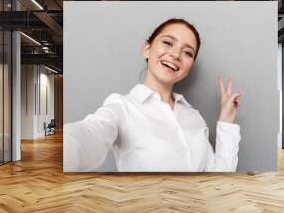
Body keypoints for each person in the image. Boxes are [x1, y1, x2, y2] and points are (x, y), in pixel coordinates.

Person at [64, 18, 242, 172]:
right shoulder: (122, 108)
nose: (175, 54)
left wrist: (226, 121)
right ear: (147, 49)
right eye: (168, 43)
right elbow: (87, 136)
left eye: (188, 52)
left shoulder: (194, 118)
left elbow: (219, 178)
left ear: (190, 66)